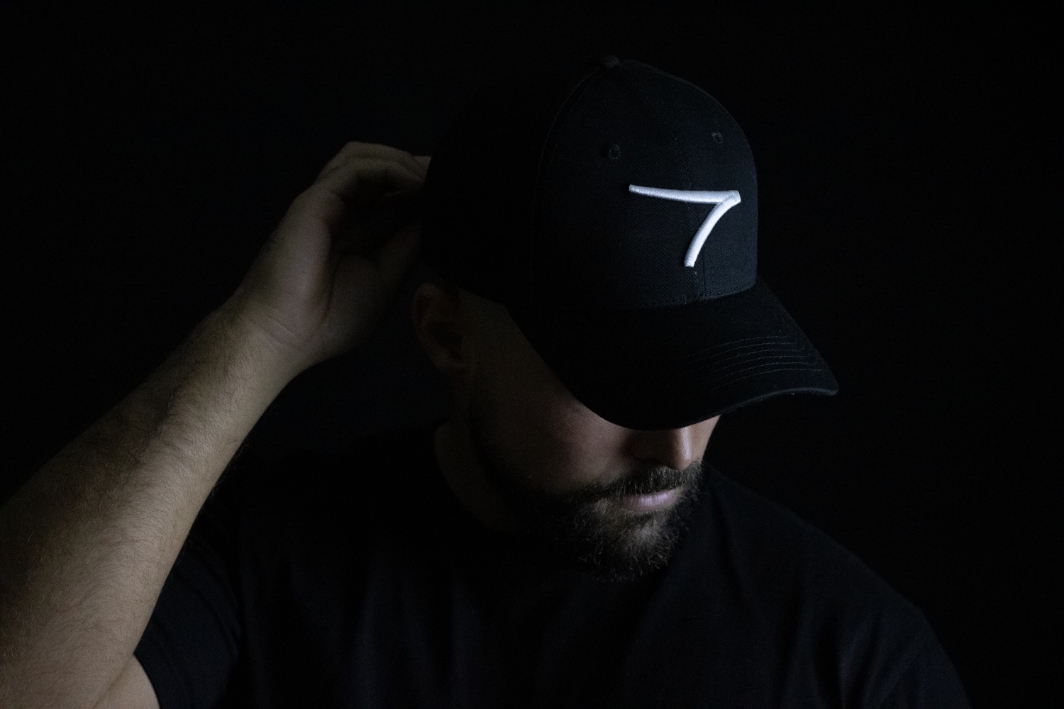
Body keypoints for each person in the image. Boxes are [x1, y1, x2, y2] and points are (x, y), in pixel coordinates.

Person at [0, 55, 970, 708]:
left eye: (705, 378)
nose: (673, 448)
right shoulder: (271, 558)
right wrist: (256, 337)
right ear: (446, 335)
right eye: (613, 382)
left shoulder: (852, 654)